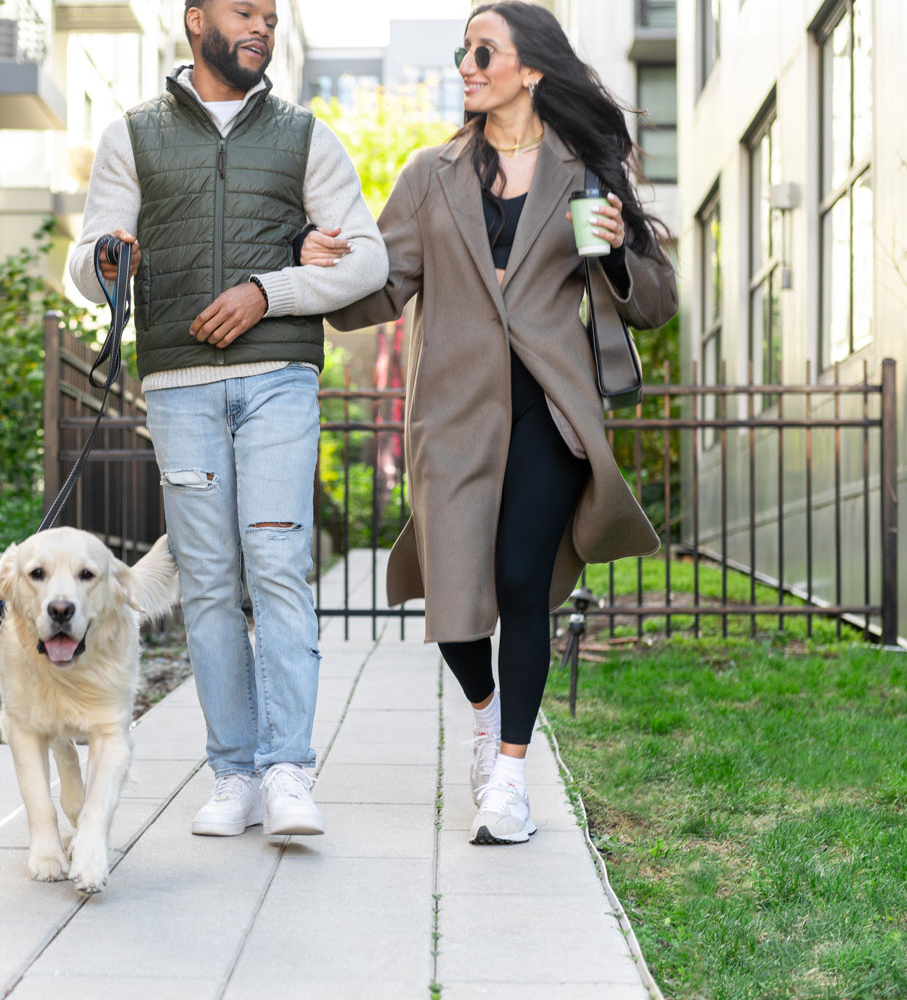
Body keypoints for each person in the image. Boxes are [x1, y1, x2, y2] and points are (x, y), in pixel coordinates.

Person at [314, 1, 677, 844]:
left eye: (485, 50)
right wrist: (329, 265)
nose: (468, 64)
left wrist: (618, 250)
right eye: (464, 50)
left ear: (532, 69)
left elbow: (657, 302)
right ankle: (485, 715)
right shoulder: (429, 174)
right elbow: (387, 285)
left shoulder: (585, 173)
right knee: (453, 597)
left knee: (522, 582)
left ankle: (510, 776)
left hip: (548, 408)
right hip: (452, 412)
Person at [67, 0, 387, 838]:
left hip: (279, 377)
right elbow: (86, 259)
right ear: (196, 18)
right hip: (177, 386)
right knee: (209, 583)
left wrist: (268, 291)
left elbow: (369, 257)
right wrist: (104, 261)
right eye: (245, 12)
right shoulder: (131, 137)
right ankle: (233, 774)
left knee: (277, 563)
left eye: (272, 18)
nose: (262, 28)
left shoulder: (304, 136)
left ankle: (288, 772)